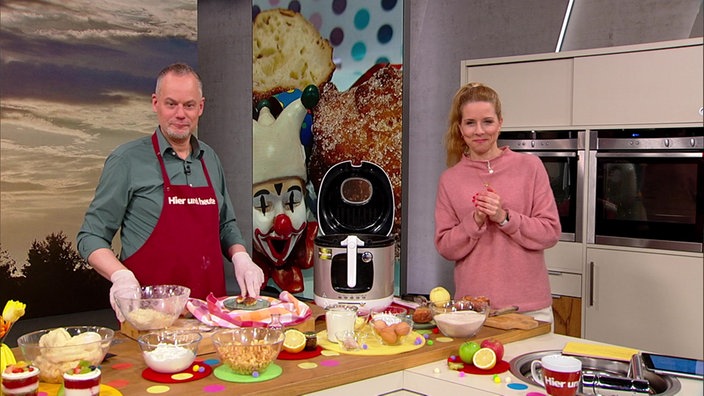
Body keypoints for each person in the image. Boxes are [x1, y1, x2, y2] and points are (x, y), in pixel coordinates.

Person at [77, 63, 264, 321]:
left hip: (211, 317)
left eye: (188, 105)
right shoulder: (126, 160)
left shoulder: (210, 159)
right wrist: (121, 276)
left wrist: (241, 256)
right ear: (155, 103)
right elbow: (91, 236)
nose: (180, 114)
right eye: (171, 104)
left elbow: (225, 224)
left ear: (201, 107)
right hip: (149, 320)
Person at [434, 82, 561, 324]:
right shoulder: (450, 180)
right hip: (473, 311)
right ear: (460, 128)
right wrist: (474, 221)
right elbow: (445, 247)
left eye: (487, 122)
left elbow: (550, 233)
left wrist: (504, 217)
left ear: (500, 122)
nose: (479, 131)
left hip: (529, 309)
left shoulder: (530, 167)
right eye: (470, 123)